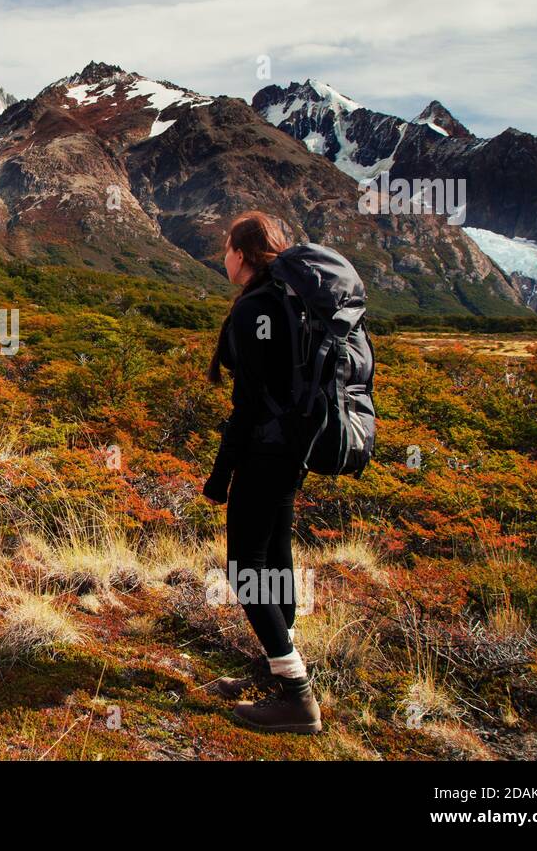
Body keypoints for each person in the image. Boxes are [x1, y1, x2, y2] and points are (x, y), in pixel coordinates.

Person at [202, 211, 322, 735]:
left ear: (244, 253)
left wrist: (220, 473)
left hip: (264, 452)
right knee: (275, 557)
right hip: (292, 450)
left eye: (226, 247)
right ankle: (279, 670)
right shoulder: (289, 299)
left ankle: (297, 697)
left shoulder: (257, 308)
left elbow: (248, 402)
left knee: (244, 567)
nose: (221, 256)